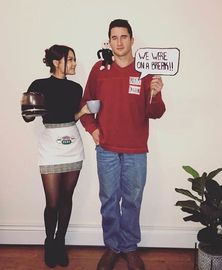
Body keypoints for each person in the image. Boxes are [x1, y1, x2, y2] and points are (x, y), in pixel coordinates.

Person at [80, 19, 166, 270]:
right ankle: (112, 247)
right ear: (109, 41)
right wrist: (93, 130)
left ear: (132, 39)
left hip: (136, 150)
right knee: (108, 199)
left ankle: (128, 247)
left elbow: (156, 113)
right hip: (106, 149)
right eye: (114, 38)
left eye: (123, 37)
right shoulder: (99, 69)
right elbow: (86, 104)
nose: (119, 42)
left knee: (132, 200)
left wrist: (156, 92)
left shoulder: (145, 72)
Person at [22, 45, 84, 268]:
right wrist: (29, 110)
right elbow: (28, 117)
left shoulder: (77, 88)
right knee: (53, 202)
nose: (75, 63)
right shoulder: (39, 85)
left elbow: (71, 117)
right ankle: (49, 242)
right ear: (57, 62)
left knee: (67, 198)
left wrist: (83, 112)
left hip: (73, 145)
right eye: (71, 60)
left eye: (75, 60)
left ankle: (60, 242)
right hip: (50, 147)